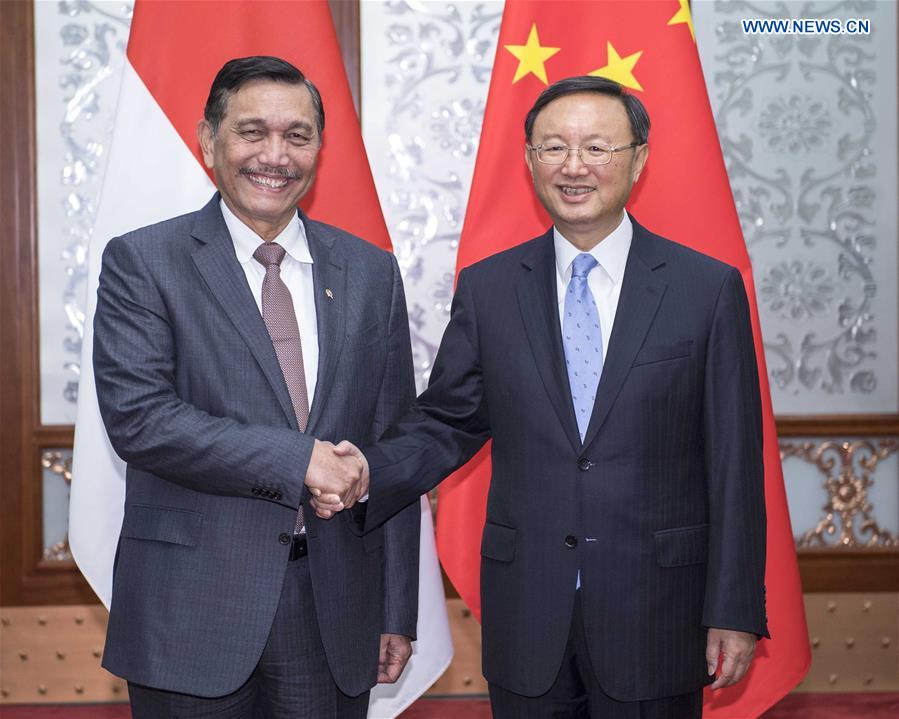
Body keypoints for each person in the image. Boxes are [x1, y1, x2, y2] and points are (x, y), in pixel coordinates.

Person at [311, 76, 768, 718]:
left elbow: (735, 466)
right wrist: (366, 470)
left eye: (597, 148)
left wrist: (736, 608)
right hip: (527, 610)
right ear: (530, 162)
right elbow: (447, 421)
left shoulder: (705, 289)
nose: (573, 166)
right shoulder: (491, 288)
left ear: (638, 158)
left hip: (659, 610)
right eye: (553, 148)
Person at [92, 55, 420, 719]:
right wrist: (298, 458)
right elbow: (140, 419)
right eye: (251, 132)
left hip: (331, 607)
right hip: (188, 608)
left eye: (297, 136)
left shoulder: (370, 272)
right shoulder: (143, 262)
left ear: (319, 151)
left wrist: (395, 607)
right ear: (208, 141)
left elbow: (395, 445)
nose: (275, 155)